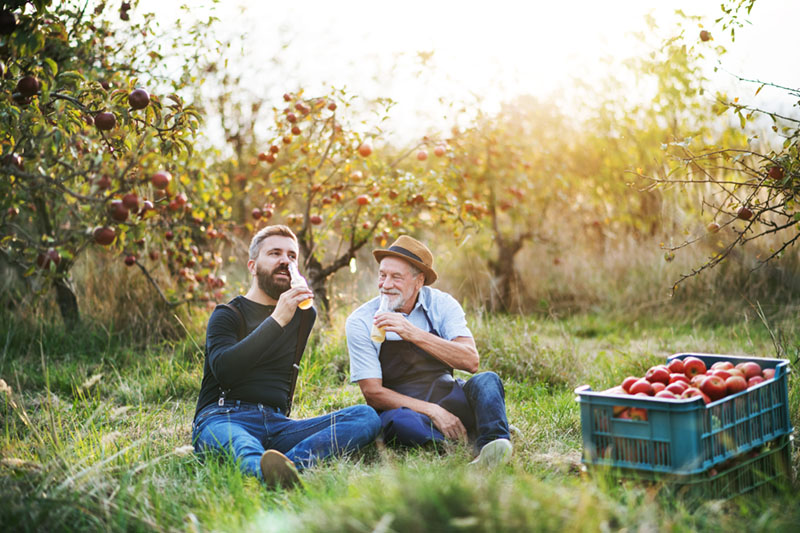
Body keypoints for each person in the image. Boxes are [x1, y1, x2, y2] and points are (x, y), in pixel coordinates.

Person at [192, 225, 380, 488]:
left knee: (366, 417)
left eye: (292, 256)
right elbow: (225, 371)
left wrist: (288, 314)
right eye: (275, 253)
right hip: (224, 417)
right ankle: (264, 472)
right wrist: (277, 318)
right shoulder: (227, 314)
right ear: (252, 266)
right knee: (243, 445)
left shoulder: (304, 316)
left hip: (278, 423)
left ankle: (285, 466)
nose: (285, 261)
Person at [345, 235, 512, 468]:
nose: (385, 284)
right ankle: (469, 434)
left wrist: (413, 333)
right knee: (402, 424)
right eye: (382, 275)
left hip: (447, 393)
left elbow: (471, 361)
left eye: (396, 277)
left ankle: (493, 444)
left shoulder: (442, 305)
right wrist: (433, 411)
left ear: (418, 281)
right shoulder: (361, 321)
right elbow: (373, 393)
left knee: (487, 381)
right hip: (403, 408)